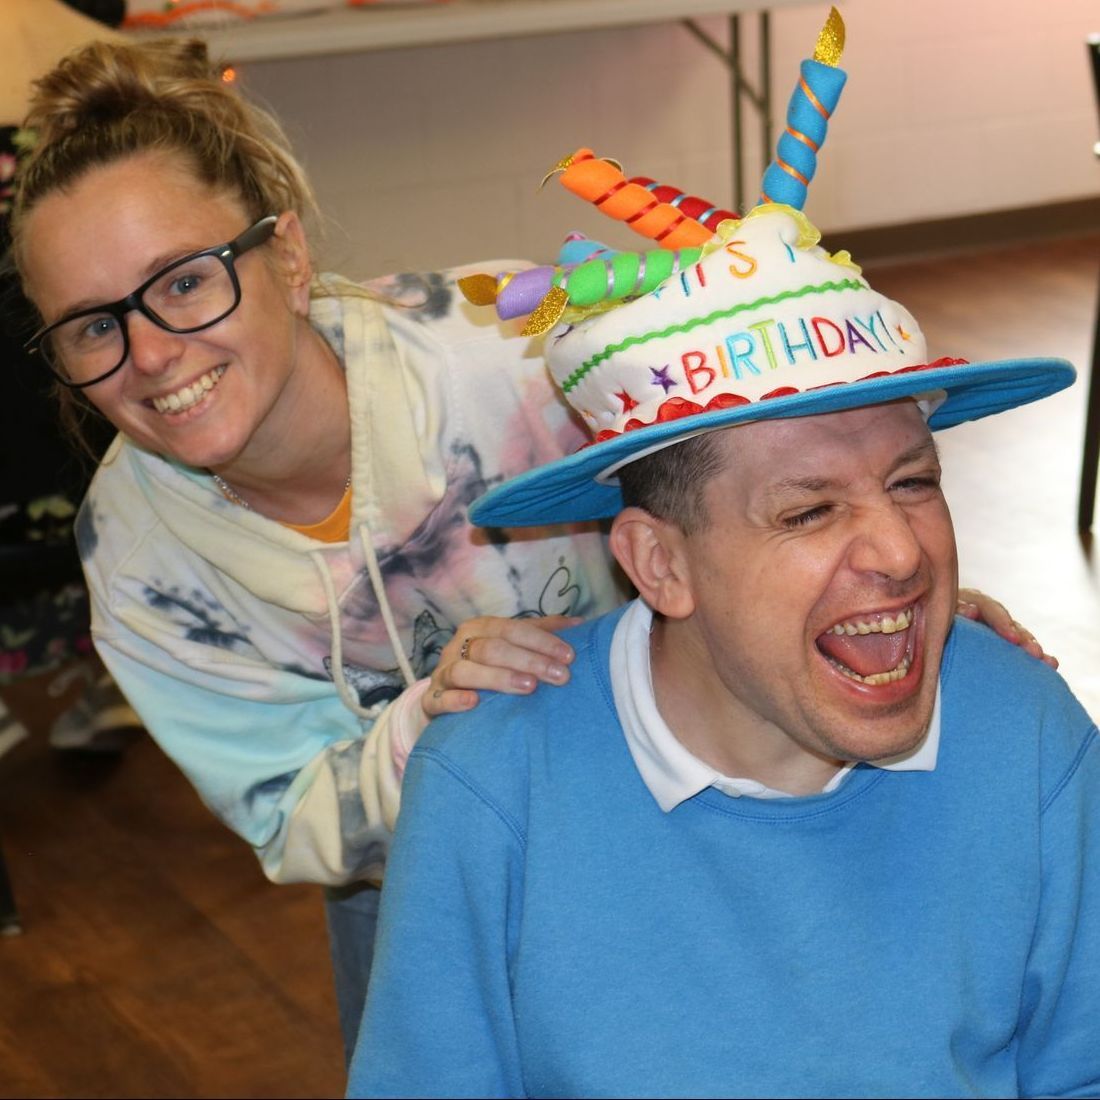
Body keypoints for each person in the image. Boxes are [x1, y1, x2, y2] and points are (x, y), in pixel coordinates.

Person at [9, 27, 1053, 1060]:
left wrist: (874, 602)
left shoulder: (510, 350)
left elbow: (769, 485)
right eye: (93, 326)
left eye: (186, 281)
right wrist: (434, 716)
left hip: (702, 796)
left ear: (284, 254)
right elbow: (293, 821)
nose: (150, 352)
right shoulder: (140, 560)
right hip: (427, 876)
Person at [347, 198, 1097, 1098]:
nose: (902, 553)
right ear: (660, 565)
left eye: (913, 481)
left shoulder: (1026, 733)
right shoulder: (496, 778)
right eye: (808, 511)